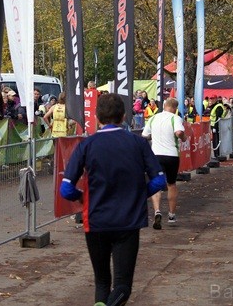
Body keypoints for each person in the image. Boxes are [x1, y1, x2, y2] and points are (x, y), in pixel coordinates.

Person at [59, 93, 166, 306]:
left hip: (97, 220)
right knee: (122, 286)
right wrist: (139, 195)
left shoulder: (86, 145)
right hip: (128, 221)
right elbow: (159, 181)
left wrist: (83, 198)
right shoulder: (138, 143)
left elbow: (66, 189)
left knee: (101, 282)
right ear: (124, 116)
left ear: (97, 117)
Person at [142, 97, 187, 229]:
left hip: (156, 154)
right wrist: (184, 137)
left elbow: (145, 135)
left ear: (164, 106)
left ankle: (157, 211)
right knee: (171, 184)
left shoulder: (154, 118)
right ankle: (172, 215)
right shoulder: (175, 118)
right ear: (175, 108)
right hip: (172, 155)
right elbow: (179, 132)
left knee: (156, 183)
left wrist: (154, 136)